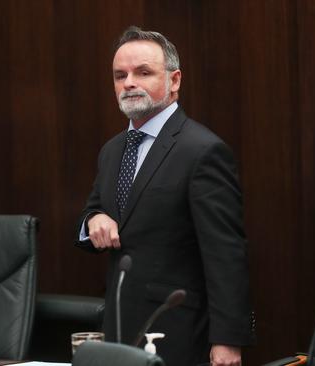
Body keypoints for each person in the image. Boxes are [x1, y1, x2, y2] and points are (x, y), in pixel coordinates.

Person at [75, 26, 254, 366]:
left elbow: (226, 253)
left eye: (143, 72)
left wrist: (228, 340)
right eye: (120, 75)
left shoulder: (203, 150)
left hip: (179, 333)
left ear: (174, 81)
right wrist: (92, 220)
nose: (129, 83)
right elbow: (95, 212)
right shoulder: (113, 150)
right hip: (118, 329)